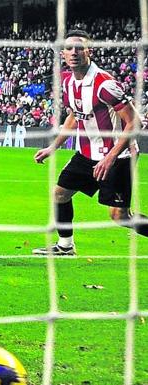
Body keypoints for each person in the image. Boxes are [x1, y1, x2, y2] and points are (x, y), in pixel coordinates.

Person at [33, 30, 147, 255]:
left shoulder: (105, 84)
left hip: (118, 156)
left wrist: (111, 157)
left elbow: (134, 123)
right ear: (63, 53)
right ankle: (65, 246)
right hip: (86, 155)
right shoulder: (68, 83)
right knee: (60, 194)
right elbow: (74, 117)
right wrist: (52, 147)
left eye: (79, 48)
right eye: (69, 48)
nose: (74, 52)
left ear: (89, 52)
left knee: (119, 216)